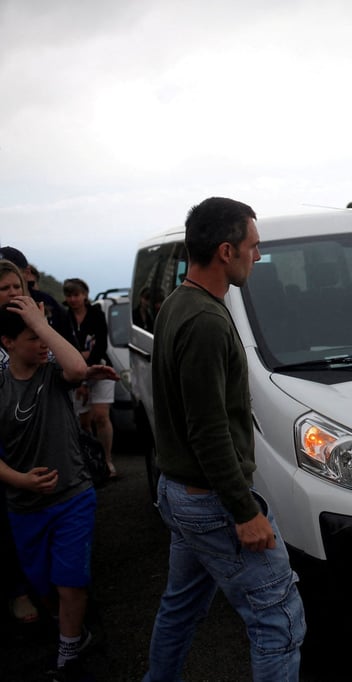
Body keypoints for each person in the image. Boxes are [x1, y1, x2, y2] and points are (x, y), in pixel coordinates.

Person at [144, 197, 305, 682]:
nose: (258, 256)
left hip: (180, 493)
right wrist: (244, 511)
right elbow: (208, 430)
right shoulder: (207, 323)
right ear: (225, 251)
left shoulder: (179, 303)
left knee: (182, 606)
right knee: (278, 619)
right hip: (211, 502)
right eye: (253, 247)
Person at [0, 296, 118, 679]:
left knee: (70, 581)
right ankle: (72, 629)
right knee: (43, 584)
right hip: (24, 505)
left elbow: (77, 367)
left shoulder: (52, 374)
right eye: (32, 337)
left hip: (72, 496)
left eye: (44, 335)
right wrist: (20, 479)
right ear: (7, 342)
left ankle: (68, 653)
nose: (42, 343)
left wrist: (41, 323)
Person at [0, 262, 39, 625]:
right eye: (4, 289)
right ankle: (19, 591)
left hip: (36, 437)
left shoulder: (37, 326)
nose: (12, 294)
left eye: (16, 287)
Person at [62, 278, 118, 479]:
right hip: (75, 372)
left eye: (76, 295)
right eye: (69, 295)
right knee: (83, 421)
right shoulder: (64, 317)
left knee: (101, 416)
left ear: (84, 295)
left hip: (100, 368)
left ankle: (107, 460)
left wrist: (86, 361)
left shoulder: (96, 314)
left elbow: (101, 344)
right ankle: (89, 459)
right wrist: (80, 368)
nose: (73, 299)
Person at [0, 246, 74, 344]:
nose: (13, 292)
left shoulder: (48, 304)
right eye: (5, 288)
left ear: (26, 272)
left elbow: (70, 345)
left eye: (12, 270)